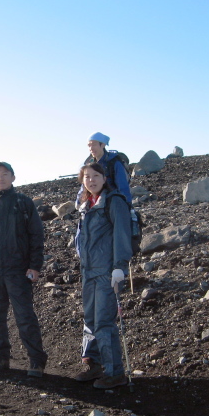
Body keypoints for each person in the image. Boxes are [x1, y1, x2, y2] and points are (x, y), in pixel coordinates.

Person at [0, 162, 48, 377]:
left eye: (5, 174)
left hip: (18, 271)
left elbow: (36, 235)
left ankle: (36, 361)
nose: (0, 178)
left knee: (25, 316)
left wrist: (35, 265)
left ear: (13, 177)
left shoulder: (23, 203)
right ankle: (0, 357)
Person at [74, 162, 132, 389]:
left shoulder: (114, 201)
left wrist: (119, 266)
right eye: (87, 176)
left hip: (107, 272)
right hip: (88, 272)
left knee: (104, 322)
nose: (91, 180)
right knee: (90, 320)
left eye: (96, 175)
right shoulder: (87, 205)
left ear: (104, 178)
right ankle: (95, 364)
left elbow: (122, 234)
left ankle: (115, 371)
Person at [76, 132, 132, 206]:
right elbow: (85, 185)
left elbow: (123, 186)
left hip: (112, 203)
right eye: (89, 145)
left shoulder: (114, 162)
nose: (91, 148)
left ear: (103, 145)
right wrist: (79, 201)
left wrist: (128, 205)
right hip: (95, 203)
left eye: (94, 144)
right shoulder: (89, 163)